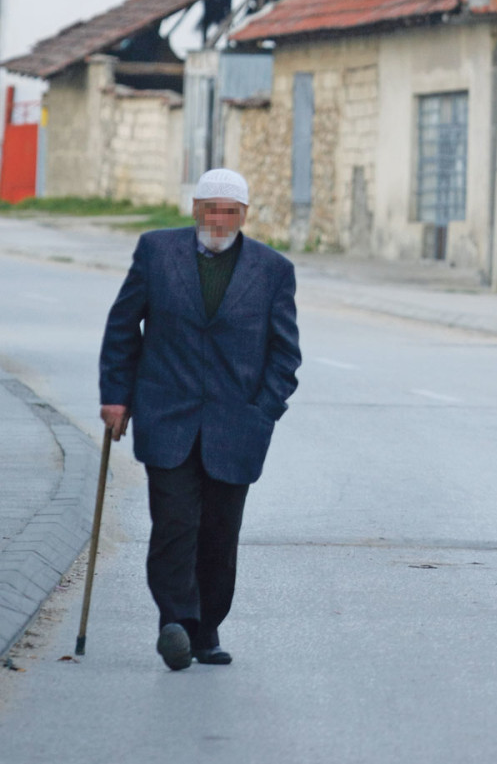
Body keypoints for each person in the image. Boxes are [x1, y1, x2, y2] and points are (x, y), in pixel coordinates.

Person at [99, 168, 301, 670]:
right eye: (209, 207)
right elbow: (124, 327)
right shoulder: (156, 251)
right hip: (167, 416)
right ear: (194, 209)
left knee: (218, 532)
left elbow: (285, 354)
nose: (217, 218)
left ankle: (207, 627)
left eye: (228, 210)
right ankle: (177, 622)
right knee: (173, 524)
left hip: (238, 426)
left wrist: (264, 412)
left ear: (244, 216)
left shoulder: (272, 270)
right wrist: (116, 397)